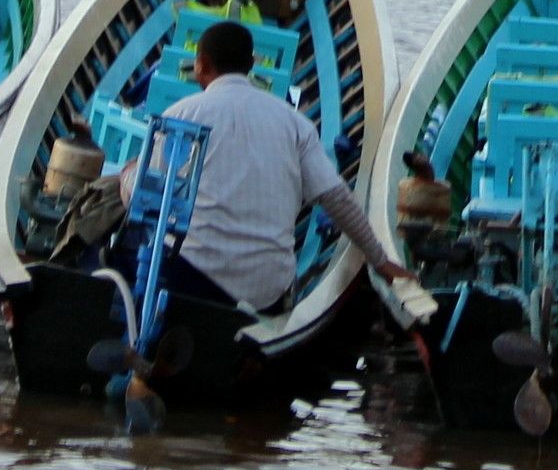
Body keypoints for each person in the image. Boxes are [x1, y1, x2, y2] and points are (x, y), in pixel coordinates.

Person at [121, 18, 412, 311]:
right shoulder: (295, 123)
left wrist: (127, 175)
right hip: (265, 291)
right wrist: (381, 260)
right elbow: (337, 199)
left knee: (122, 239)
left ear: (201, 64)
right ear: (251, 64)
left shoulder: (181, 114)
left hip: (192, 277)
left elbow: (142, 199)